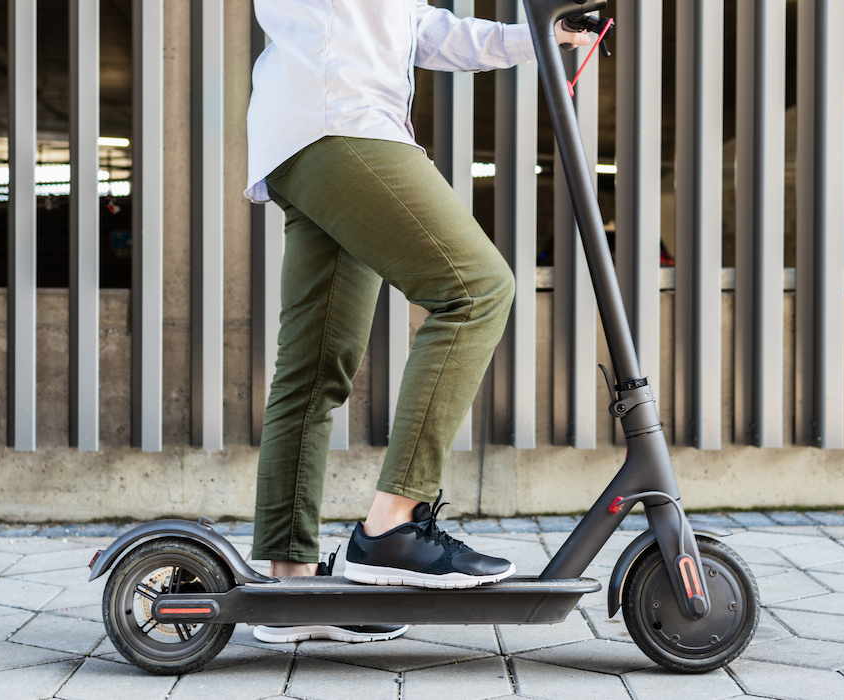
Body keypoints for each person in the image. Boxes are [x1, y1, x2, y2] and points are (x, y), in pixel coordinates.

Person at [245, 1, 591, 644]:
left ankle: (291, 588)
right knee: (477, 291)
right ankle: (392, 526)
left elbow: (431, 33)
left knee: (316, 364)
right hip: (340, 122)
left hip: (313, 130)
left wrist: (542, 36)